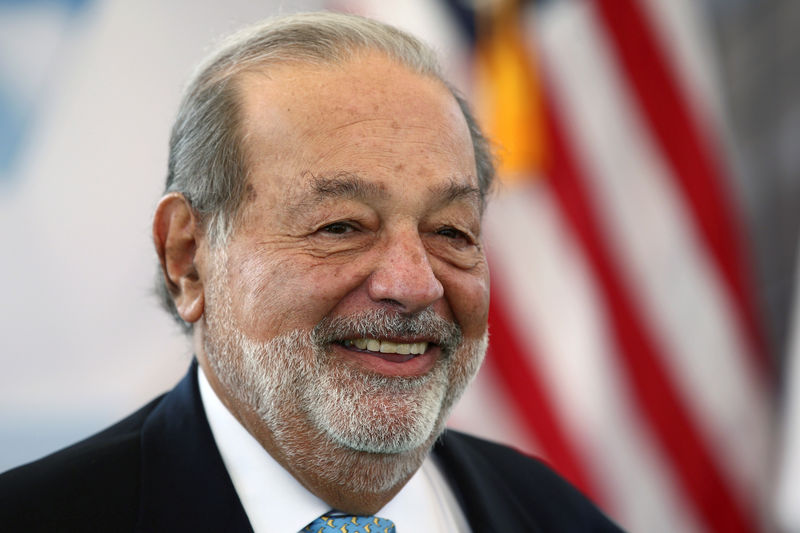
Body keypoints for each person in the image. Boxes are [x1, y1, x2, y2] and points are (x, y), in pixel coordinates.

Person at [0, 12, 622, 532]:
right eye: (341, 227)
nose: (413, 283)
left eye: (450, 232)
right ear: (188, 259)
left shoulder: (558, 516)